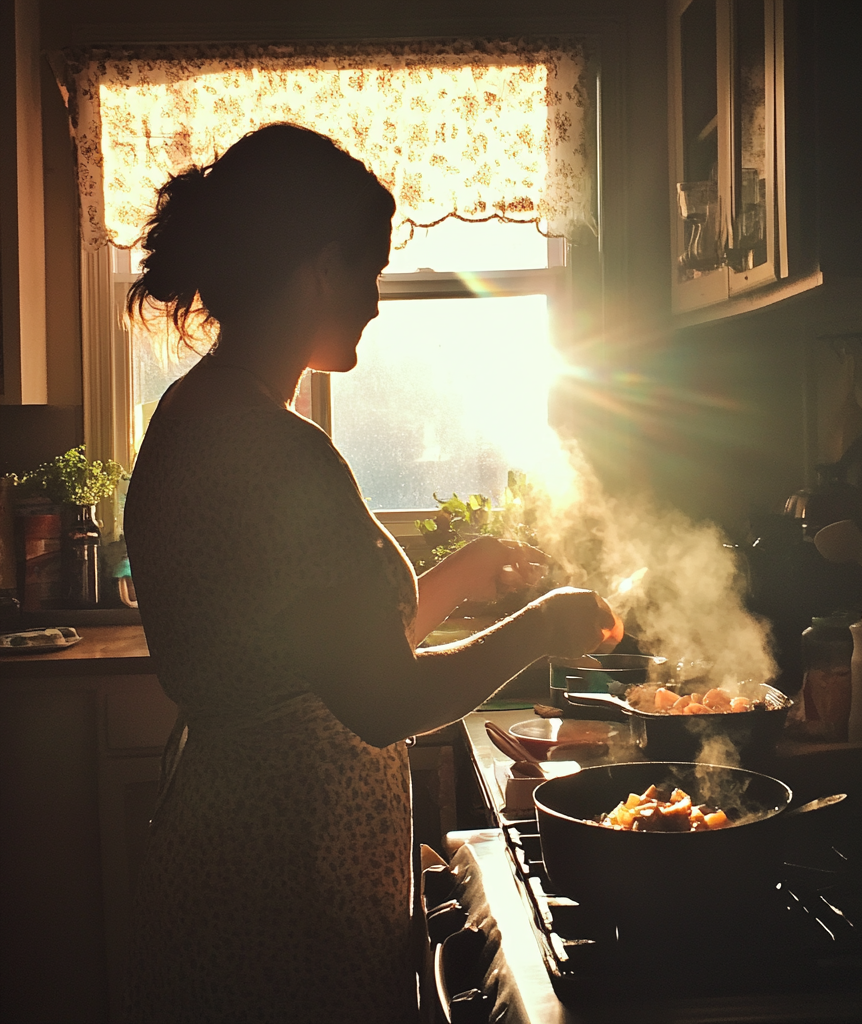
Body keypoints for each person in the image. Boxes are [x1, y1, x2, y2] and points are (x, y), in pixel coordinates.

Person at [122, 123, 613, 1023]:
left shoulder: (197, 414)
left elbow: (320, 660)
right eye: (371, 270)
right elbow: (380, 699)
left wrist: (462, 578)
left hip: (233, 855)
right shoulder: (276, 452)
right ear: (318, 266)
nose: (378, 301)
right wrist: (543, 626)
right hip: (284, 877)